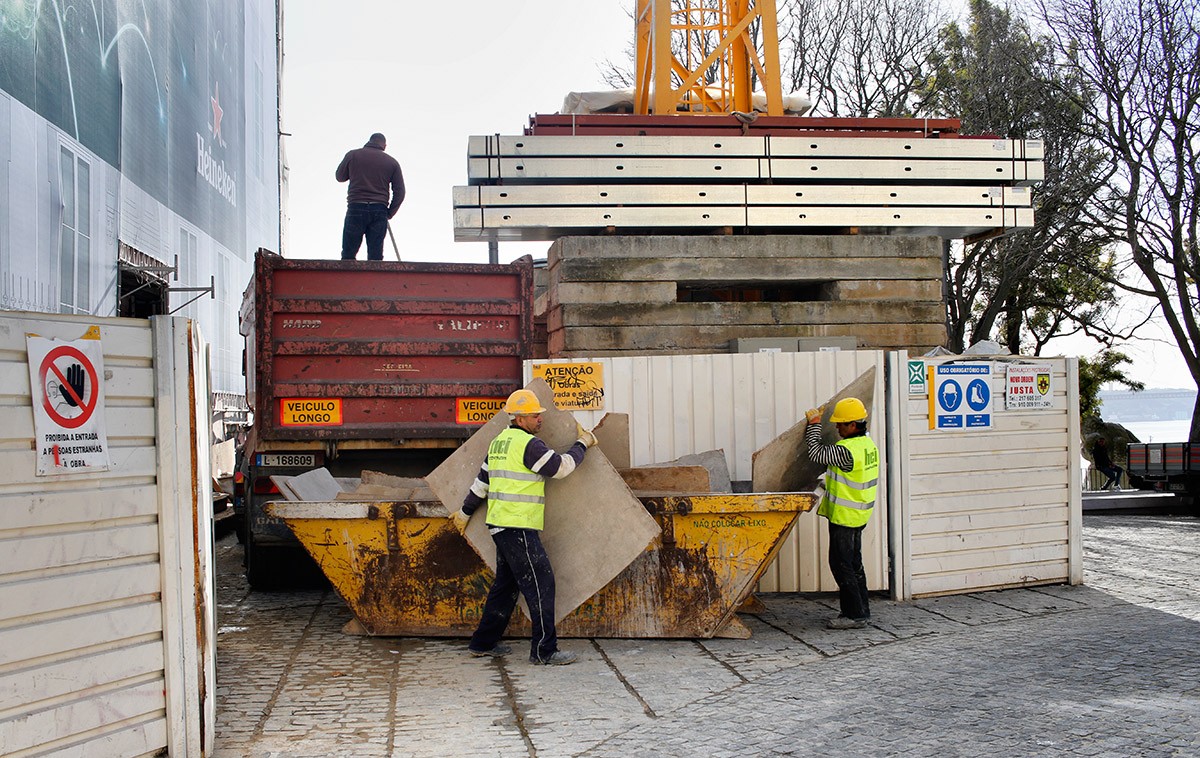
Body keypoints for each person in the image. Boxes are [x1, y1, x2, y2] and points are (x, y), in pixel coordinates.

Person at [452, 389, 598, 665]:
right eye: (534, 415)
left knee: (506, 586)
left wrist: (464, 512)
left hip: (500, 524)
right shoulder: (529, 445)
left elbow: (482, 484)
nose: (539, 419)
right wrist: (583, 443)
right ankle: (544, 651)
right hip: (517, 526)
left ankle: (482, 643)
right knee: (542, 585)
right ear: (519, 419)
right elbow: (561, 468)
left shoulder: (499, 443)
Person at [805, 397, 880, 630]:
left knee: (841, 564)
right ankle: (860, 610)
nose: (837, 428)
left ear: (853, 425)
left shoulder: (846, 452)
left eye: (841, 424)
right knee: (854, 563)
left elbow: (816, 453)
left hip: (846, 517)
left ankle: (855, 615)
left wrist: (814, 424)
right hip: (858, 514)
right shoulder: (867, 445)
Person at [335, 132, 405, 260]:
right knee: (375, 256)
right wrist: (389, 212)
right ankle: (375, 279)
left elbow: (340, 177)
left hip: (356, 206)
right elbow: (400, 192)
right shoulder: (392, 162)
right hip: (379, 209)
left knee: (348, 255)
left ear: (369, 141)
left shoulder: (353, 155)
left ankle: (346, 278)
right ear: (384, 145)